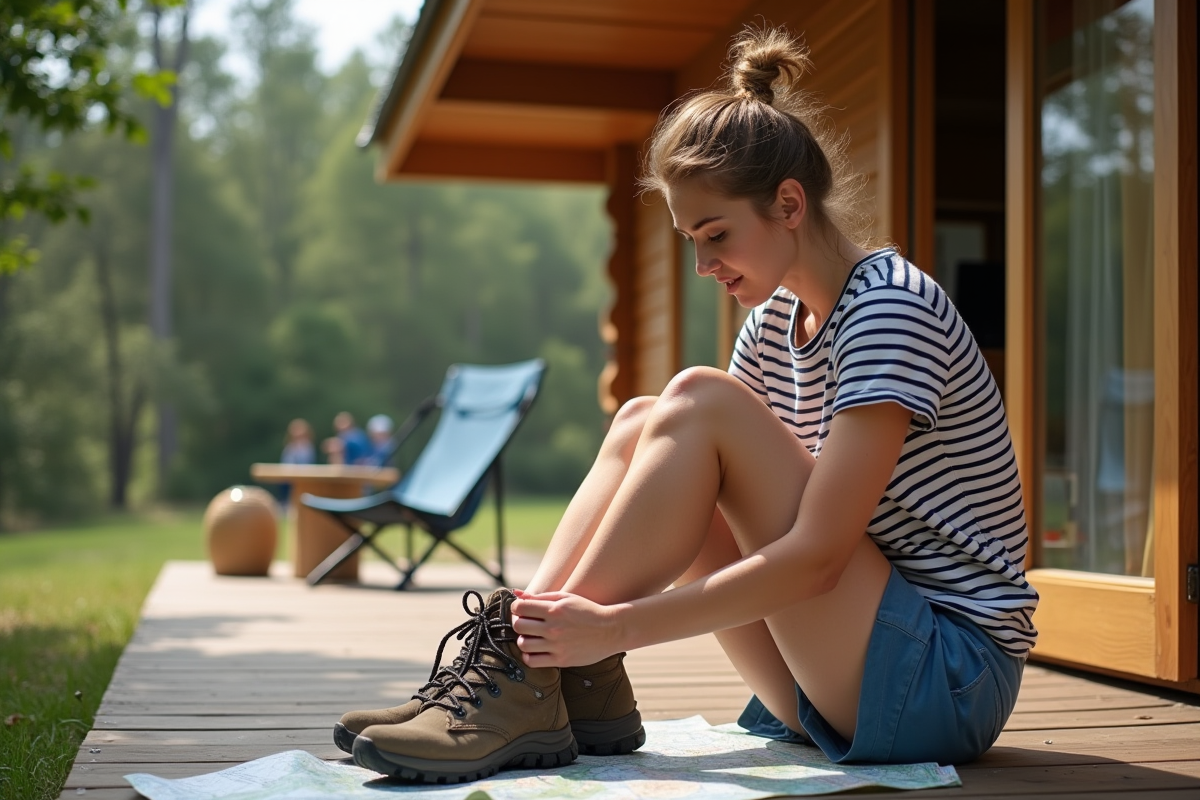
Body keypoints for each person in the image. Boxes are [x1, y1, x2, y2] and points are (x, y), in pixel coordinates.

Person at [335, 27, 1038, 782]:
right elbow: (698, 485)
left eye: (716, 235)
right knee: (646, 417)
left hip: (948, 676)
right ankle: (535, 666)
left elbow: (819, 559)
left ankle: (533, 674)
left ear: (790, 204)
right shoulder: (773, 322)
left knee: (699, 401)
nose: (703, 265)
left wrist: (615, 627)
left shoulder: (891, 310)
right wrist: (583, 629)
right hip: (843, 668)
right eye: (688, 241)